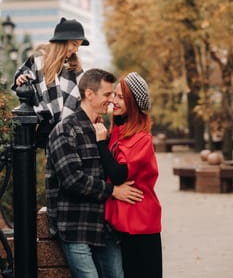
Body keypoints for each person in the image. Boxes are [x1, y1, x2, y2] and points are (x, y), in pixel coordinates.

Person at [46, 68, 144, 278]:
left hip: (105, 228)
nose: (111, 100)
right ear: (89, 94)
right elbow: (73, 179)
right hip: (76, 227)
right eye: (107, 94)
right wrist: (113, 191)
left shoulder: (103, 132)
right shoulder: (65, 130)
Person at [94, 72, 163, 278]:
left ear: (132, 102)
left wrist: (101, 143)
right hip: (120, 223)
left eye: (120, 97)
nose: (113, 101)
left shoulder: (142, 139)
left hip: (141, 225)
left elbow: (117, 174)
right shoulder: (118, 131)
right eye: (114, 95)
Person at [11, 17, 89, 148]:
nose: (76, 50)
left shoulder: (75, 68)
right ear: (63, 41)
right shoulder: (38, 59)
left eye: (78, 46)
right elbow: (23, 74)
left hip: (70, 130)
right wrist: (21, 78)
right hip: (46, 127)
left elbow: (82, 97)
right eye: (74, 44)